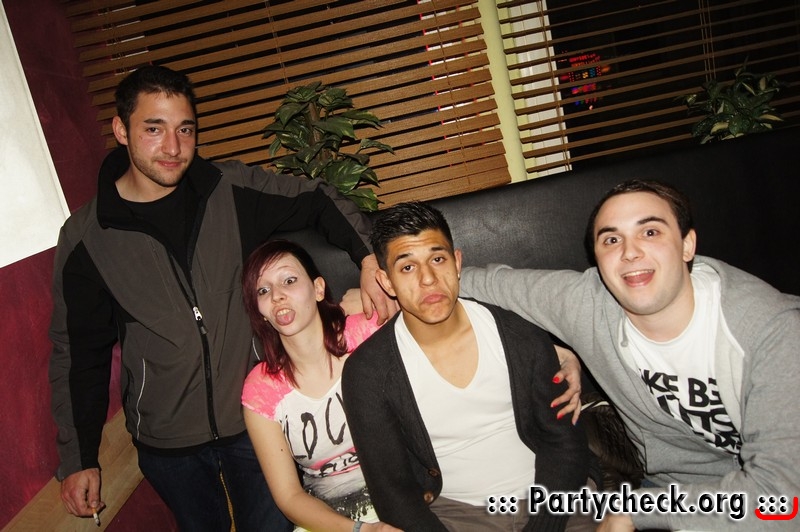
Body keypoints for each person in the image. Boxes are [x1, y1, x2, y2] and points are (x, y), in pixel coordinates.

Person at [48, 65, 394, 531]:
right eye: (154, 128)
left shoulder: (228, 189)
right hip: (167, 441)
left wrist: (370, 258)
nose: (173, 147)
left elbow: (317, 197)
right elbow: (77, 353)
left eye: (185, 129)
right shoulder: (87, 237)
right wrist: (79, 457)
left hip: (254, 421)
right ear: (121, 130)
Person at [459, 179, 800, 531]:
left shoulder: (773, 331)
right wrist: (549, 347)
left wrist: (633, 511)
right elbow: (476, 283)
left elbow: (784, 500)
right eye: (611, 240)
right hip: (673, 492)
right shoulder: (587, 304)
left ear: (687, 245)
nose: (630, 252)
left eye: (650, 232)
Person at [341, 201, 590, 532]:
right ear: (386, 282)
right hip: (456, 515)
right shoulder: (367, 373)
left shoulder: (520, 335)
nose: (428, 279)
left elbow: (564, 443)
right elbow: (392, 491)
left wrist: (543, 525)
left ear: (457, 263)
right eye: (408, 267)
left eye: (437, 259)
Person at [240, 239, 400, 532]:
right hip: (328, 517)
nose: (277, 296)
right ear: (260, 311)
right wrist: (359, 530)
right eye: (263, 290)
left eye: (289, 280)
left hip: (402, 491)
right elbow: (289, 496)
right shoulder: (261, 389)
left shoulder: (366, 333)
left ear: (318, 289)